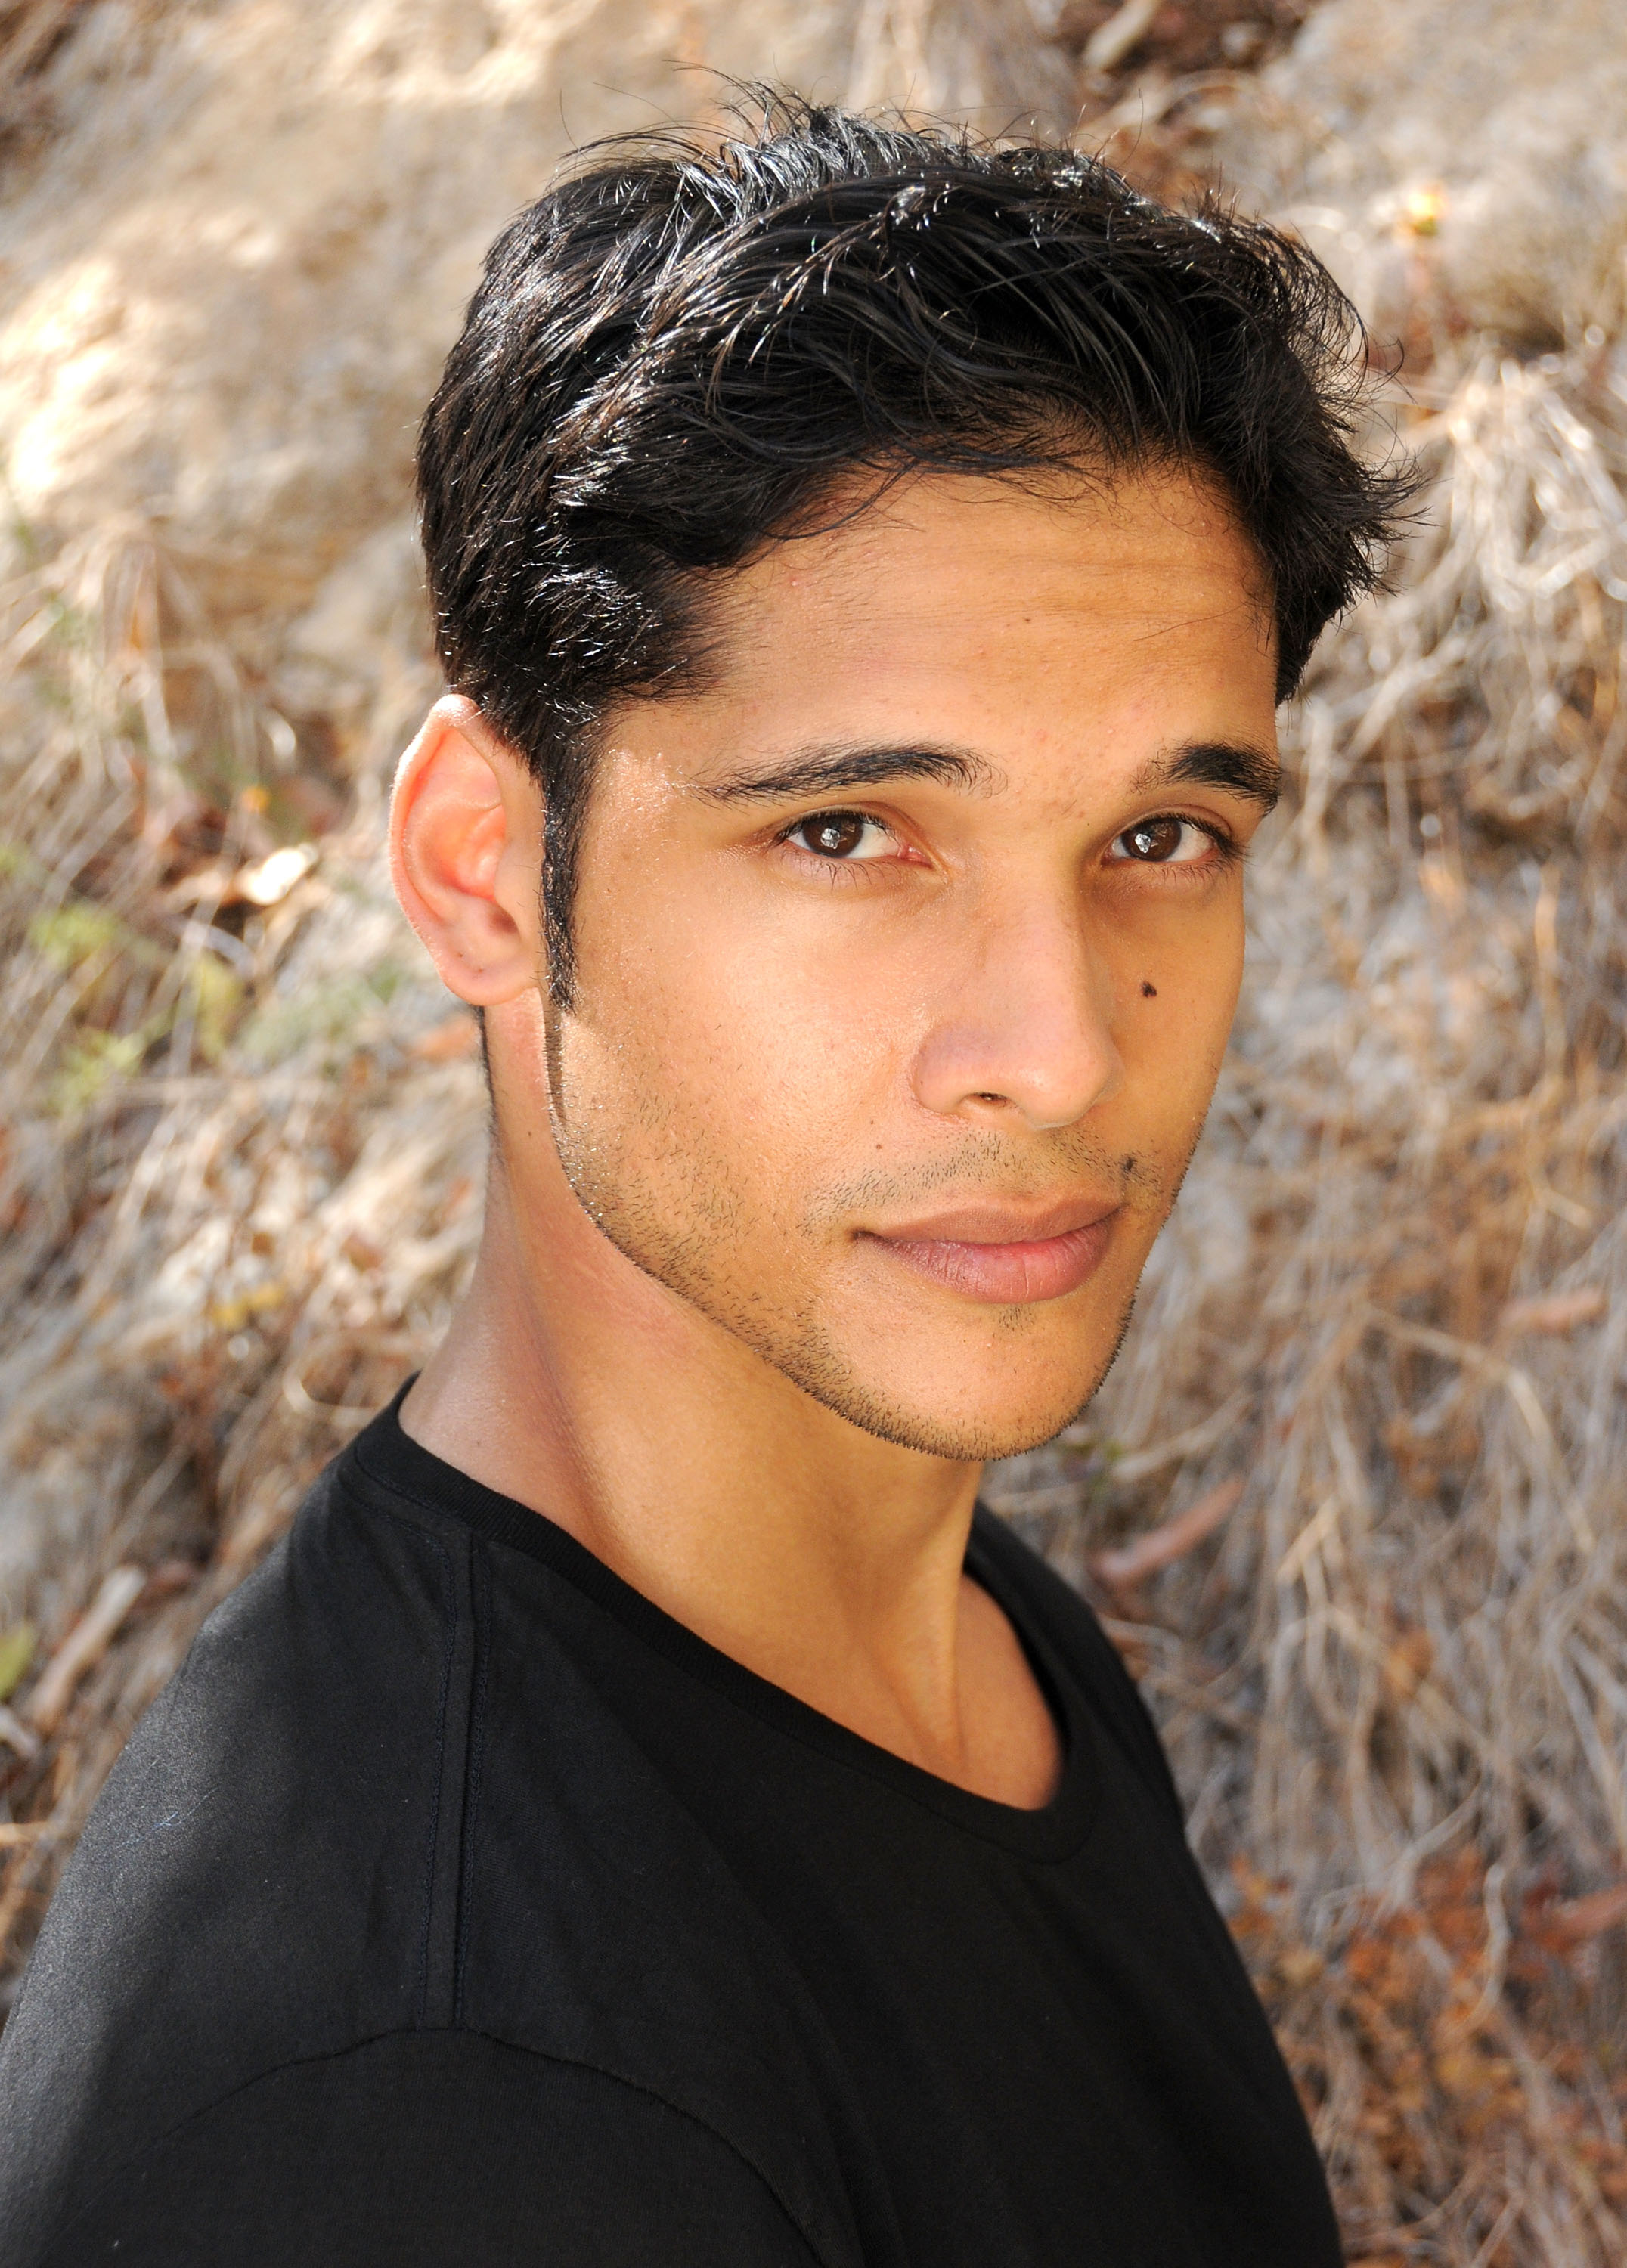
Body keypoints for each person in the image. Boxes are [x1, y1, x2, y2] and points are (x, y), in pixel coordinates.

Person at [0, 97, 1409, 2266]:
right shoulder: (452, 2119)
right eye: (848, 834)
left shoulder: (943, 1631)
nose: (1057, 1047)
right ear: (486, 868)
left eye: (1162, 837)